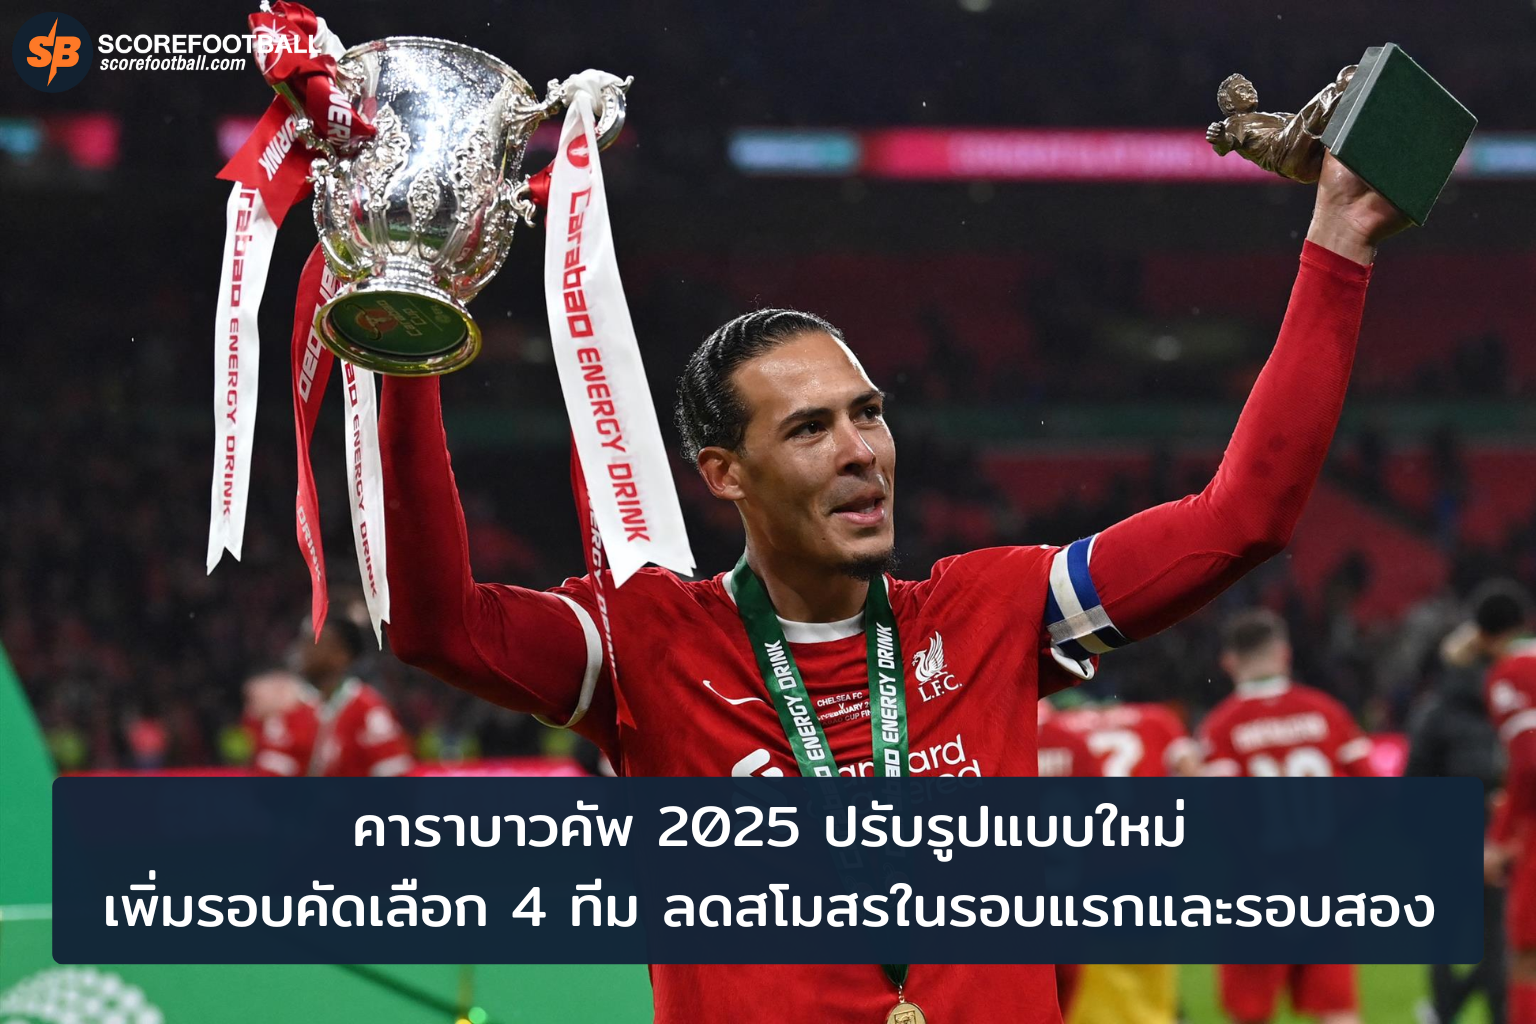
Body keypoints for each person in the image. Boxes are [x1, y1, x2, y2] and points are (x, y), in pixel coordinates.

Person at [380, 153, 1402, 1022]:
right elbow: (433, 624)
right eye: (810, 428)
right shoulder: (653, 646)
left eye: (867, 413)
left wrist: (1339, 242)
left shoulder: (991, 613)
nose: (861, 450)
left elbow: (1241, 519)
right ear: (725, 474)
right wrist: (406, 333)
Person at [1200, 609, 1368, 1024]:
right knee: (1337, 1012)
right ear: (1284, 653)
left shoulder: (1222, 726)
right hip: (1324, 883)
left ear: (1228, 662)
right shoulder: (1326, 711)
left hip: (1255, 886)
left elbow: (1218, 815)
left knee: (1251, 1014)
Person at [1406, 583, 1509, 1024]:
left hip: (1447, 836)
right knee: (1499, 940)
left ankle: (1444, 1011)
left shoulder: (1437, 710)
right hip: (1503, 834)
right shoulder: (1512, 702)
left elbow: (1416, 782)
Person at [1454, 581, 1536, 1024]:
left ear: (1483, 634)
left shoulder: (1510, 674)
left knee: (1527, 956)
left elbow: (1528, 760)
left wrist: (1500, 838)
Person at [293, 615, 415, 778]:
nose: (304, 650)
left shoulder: (368, 710)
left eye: (314, 642)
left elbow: (397, 776)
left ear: (341, 655)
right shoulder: (297, 706)